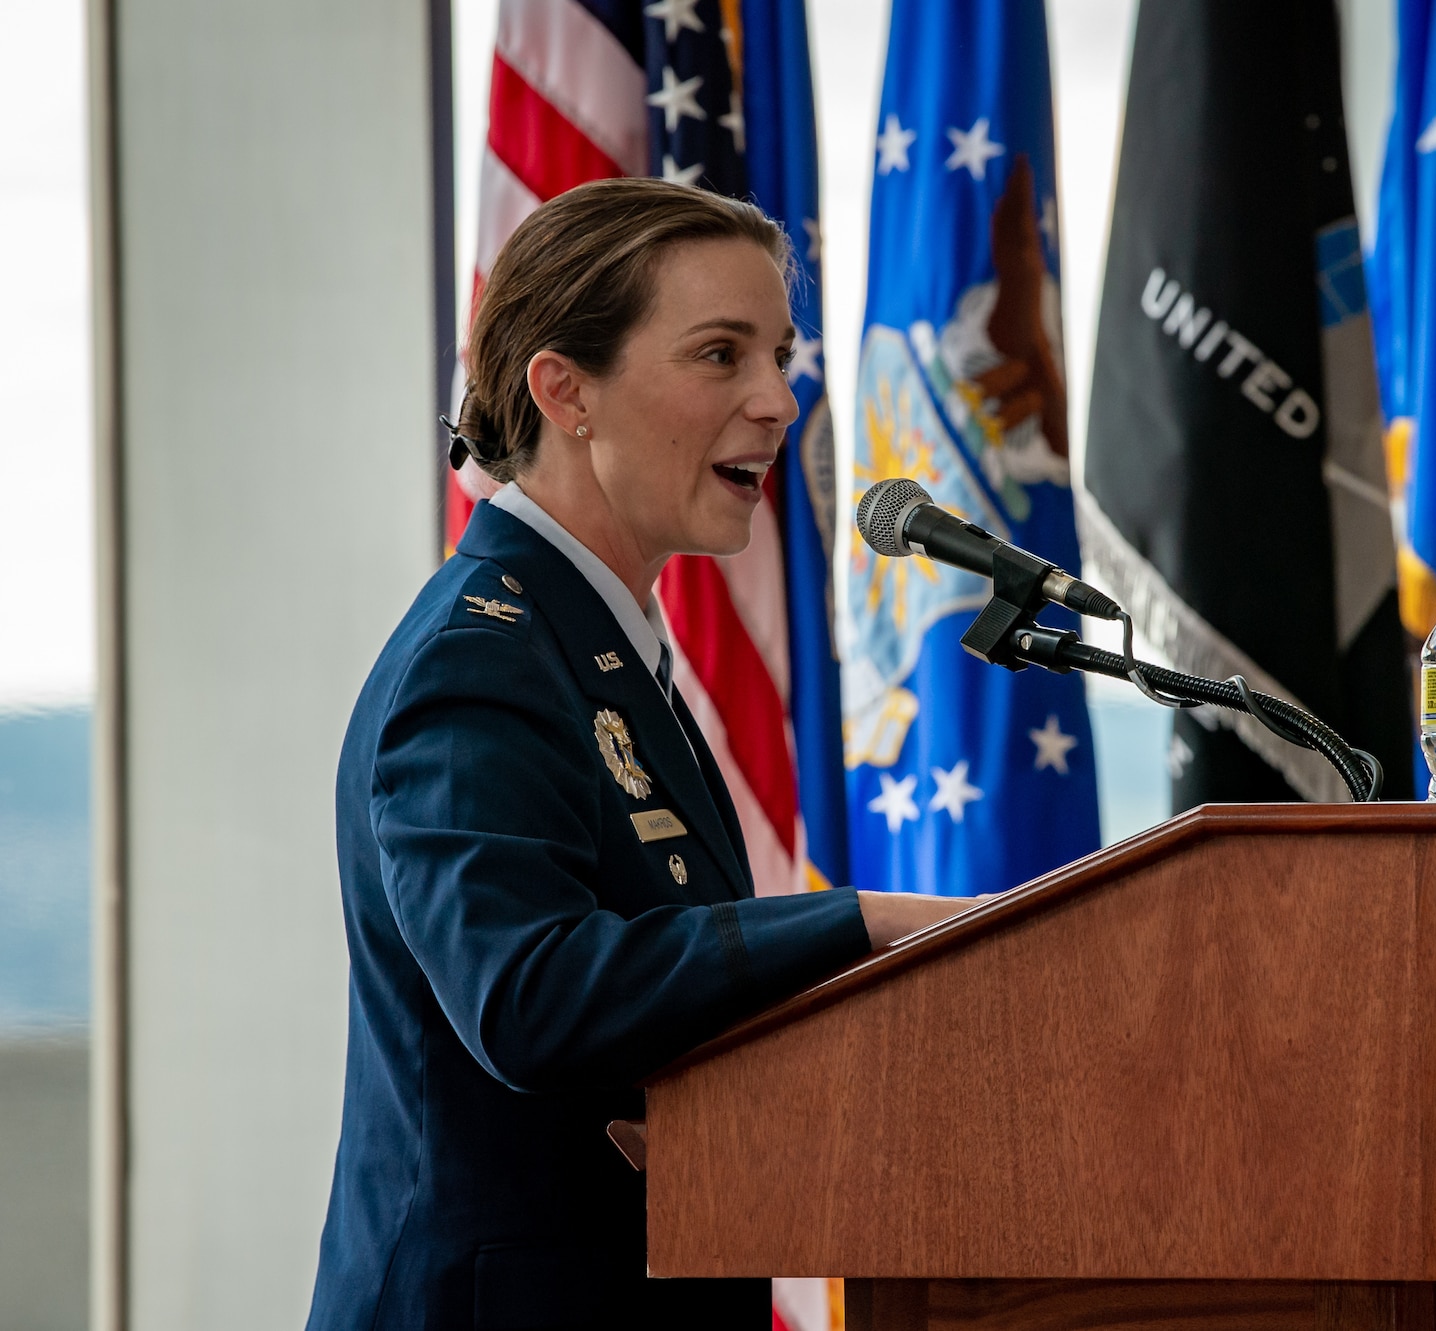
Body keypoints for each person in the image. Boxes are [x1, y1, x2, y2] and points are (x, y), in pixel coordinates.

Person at [305, 179, 975, 1331]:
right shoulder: (483, 659)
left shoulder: (598, 646)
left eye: (778, 353)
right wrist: (856, 921)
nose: (776, 400)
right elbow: (527, 993)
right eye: (721, 354)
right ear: (565, 391)